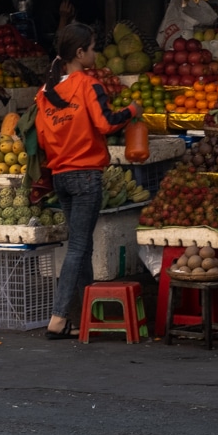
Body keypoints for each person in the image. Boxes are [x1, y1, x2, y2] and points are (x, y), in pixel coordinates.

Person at [36, 22, 140, 340]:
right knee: (79, 246)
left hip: (61, 176)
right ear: (80, 53)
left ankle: (85, 316)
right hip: (85, 175)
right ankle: (57, 318)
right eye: (93, 48)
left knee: (82, 245)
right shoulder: (87, 84)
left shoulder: (45, 92)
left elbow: (41, 137)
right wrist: (133, 110)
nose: (95, 53)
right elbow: (105, 123)